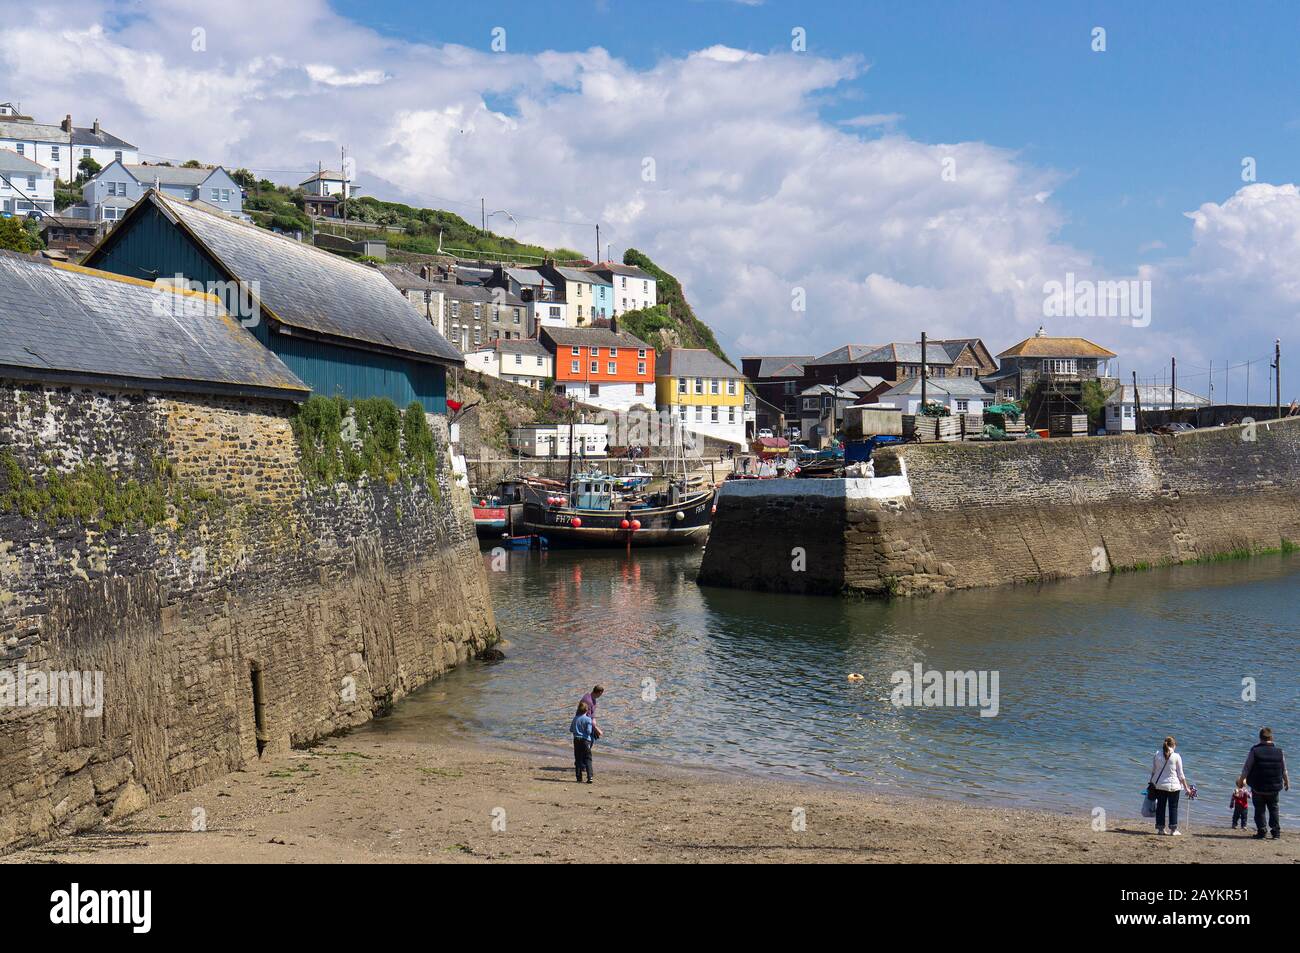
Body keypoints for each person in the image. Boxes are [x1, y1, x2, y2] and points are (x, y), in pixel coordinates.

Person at [1238, 727, 1289, 840]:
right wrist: (1286, 781)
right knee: (1274, 808)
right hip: (1274, 787)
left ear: (1260, 738)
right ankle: (1276, 833)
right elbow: (1284, 769)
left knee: (1259, 809)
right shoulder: (1279, 751)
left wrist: (1241, 781)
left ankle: (1262, 832)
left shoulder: (1255, 750)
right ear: (1271, 737)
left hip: (1258, 787)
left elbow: (1246, 768)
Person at [1149, 735, 1192, 835]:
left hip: (1159, 785)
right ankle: (1173, 830)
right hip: (1173, 786)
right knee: (1173, 807)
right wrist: (1187, 788)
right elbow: (1181, 775)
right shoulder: (1176, 756)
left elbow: (1153, 771)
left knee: (1160, 807)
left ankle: (1160, 829)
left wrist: (1151, 783)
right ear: (1174, 745)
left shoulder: (1157, 754)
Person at [570, 701, 595, 784]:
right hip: (585, 741)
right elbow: (588, 731)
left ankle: (578, 777)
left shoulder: (575, 718)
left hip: (576, 740)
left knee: (578, 758)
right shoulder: (588, 719)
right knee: (588, 758)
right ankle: (590, 777)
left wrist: (577, 731)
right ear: (587, 710)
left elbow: (571, 729)